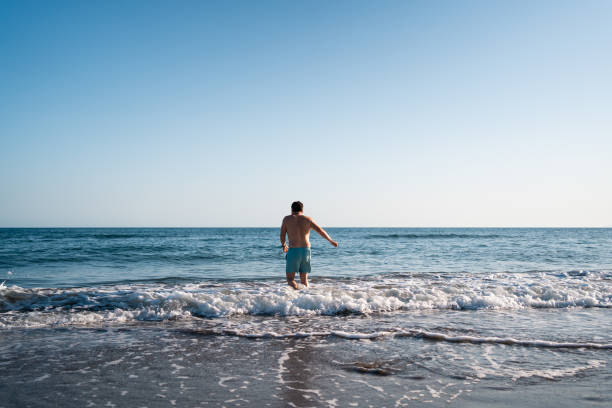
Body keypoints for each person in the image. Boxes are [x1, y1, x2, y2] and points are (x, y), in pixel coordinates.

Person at [280, 201, 338, 289]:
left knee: (290, 279)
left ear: (291, 209)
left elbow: (282, 234)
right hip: (305, 251)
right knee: (304, 281)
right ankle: (306, 298)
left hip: (294, 250)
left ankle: (297, 294)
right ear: (302, 210)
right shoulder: (308, 219)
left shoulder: (287, 219)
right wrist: (331, 240)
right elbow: (320, 231)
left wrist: (284, 245)